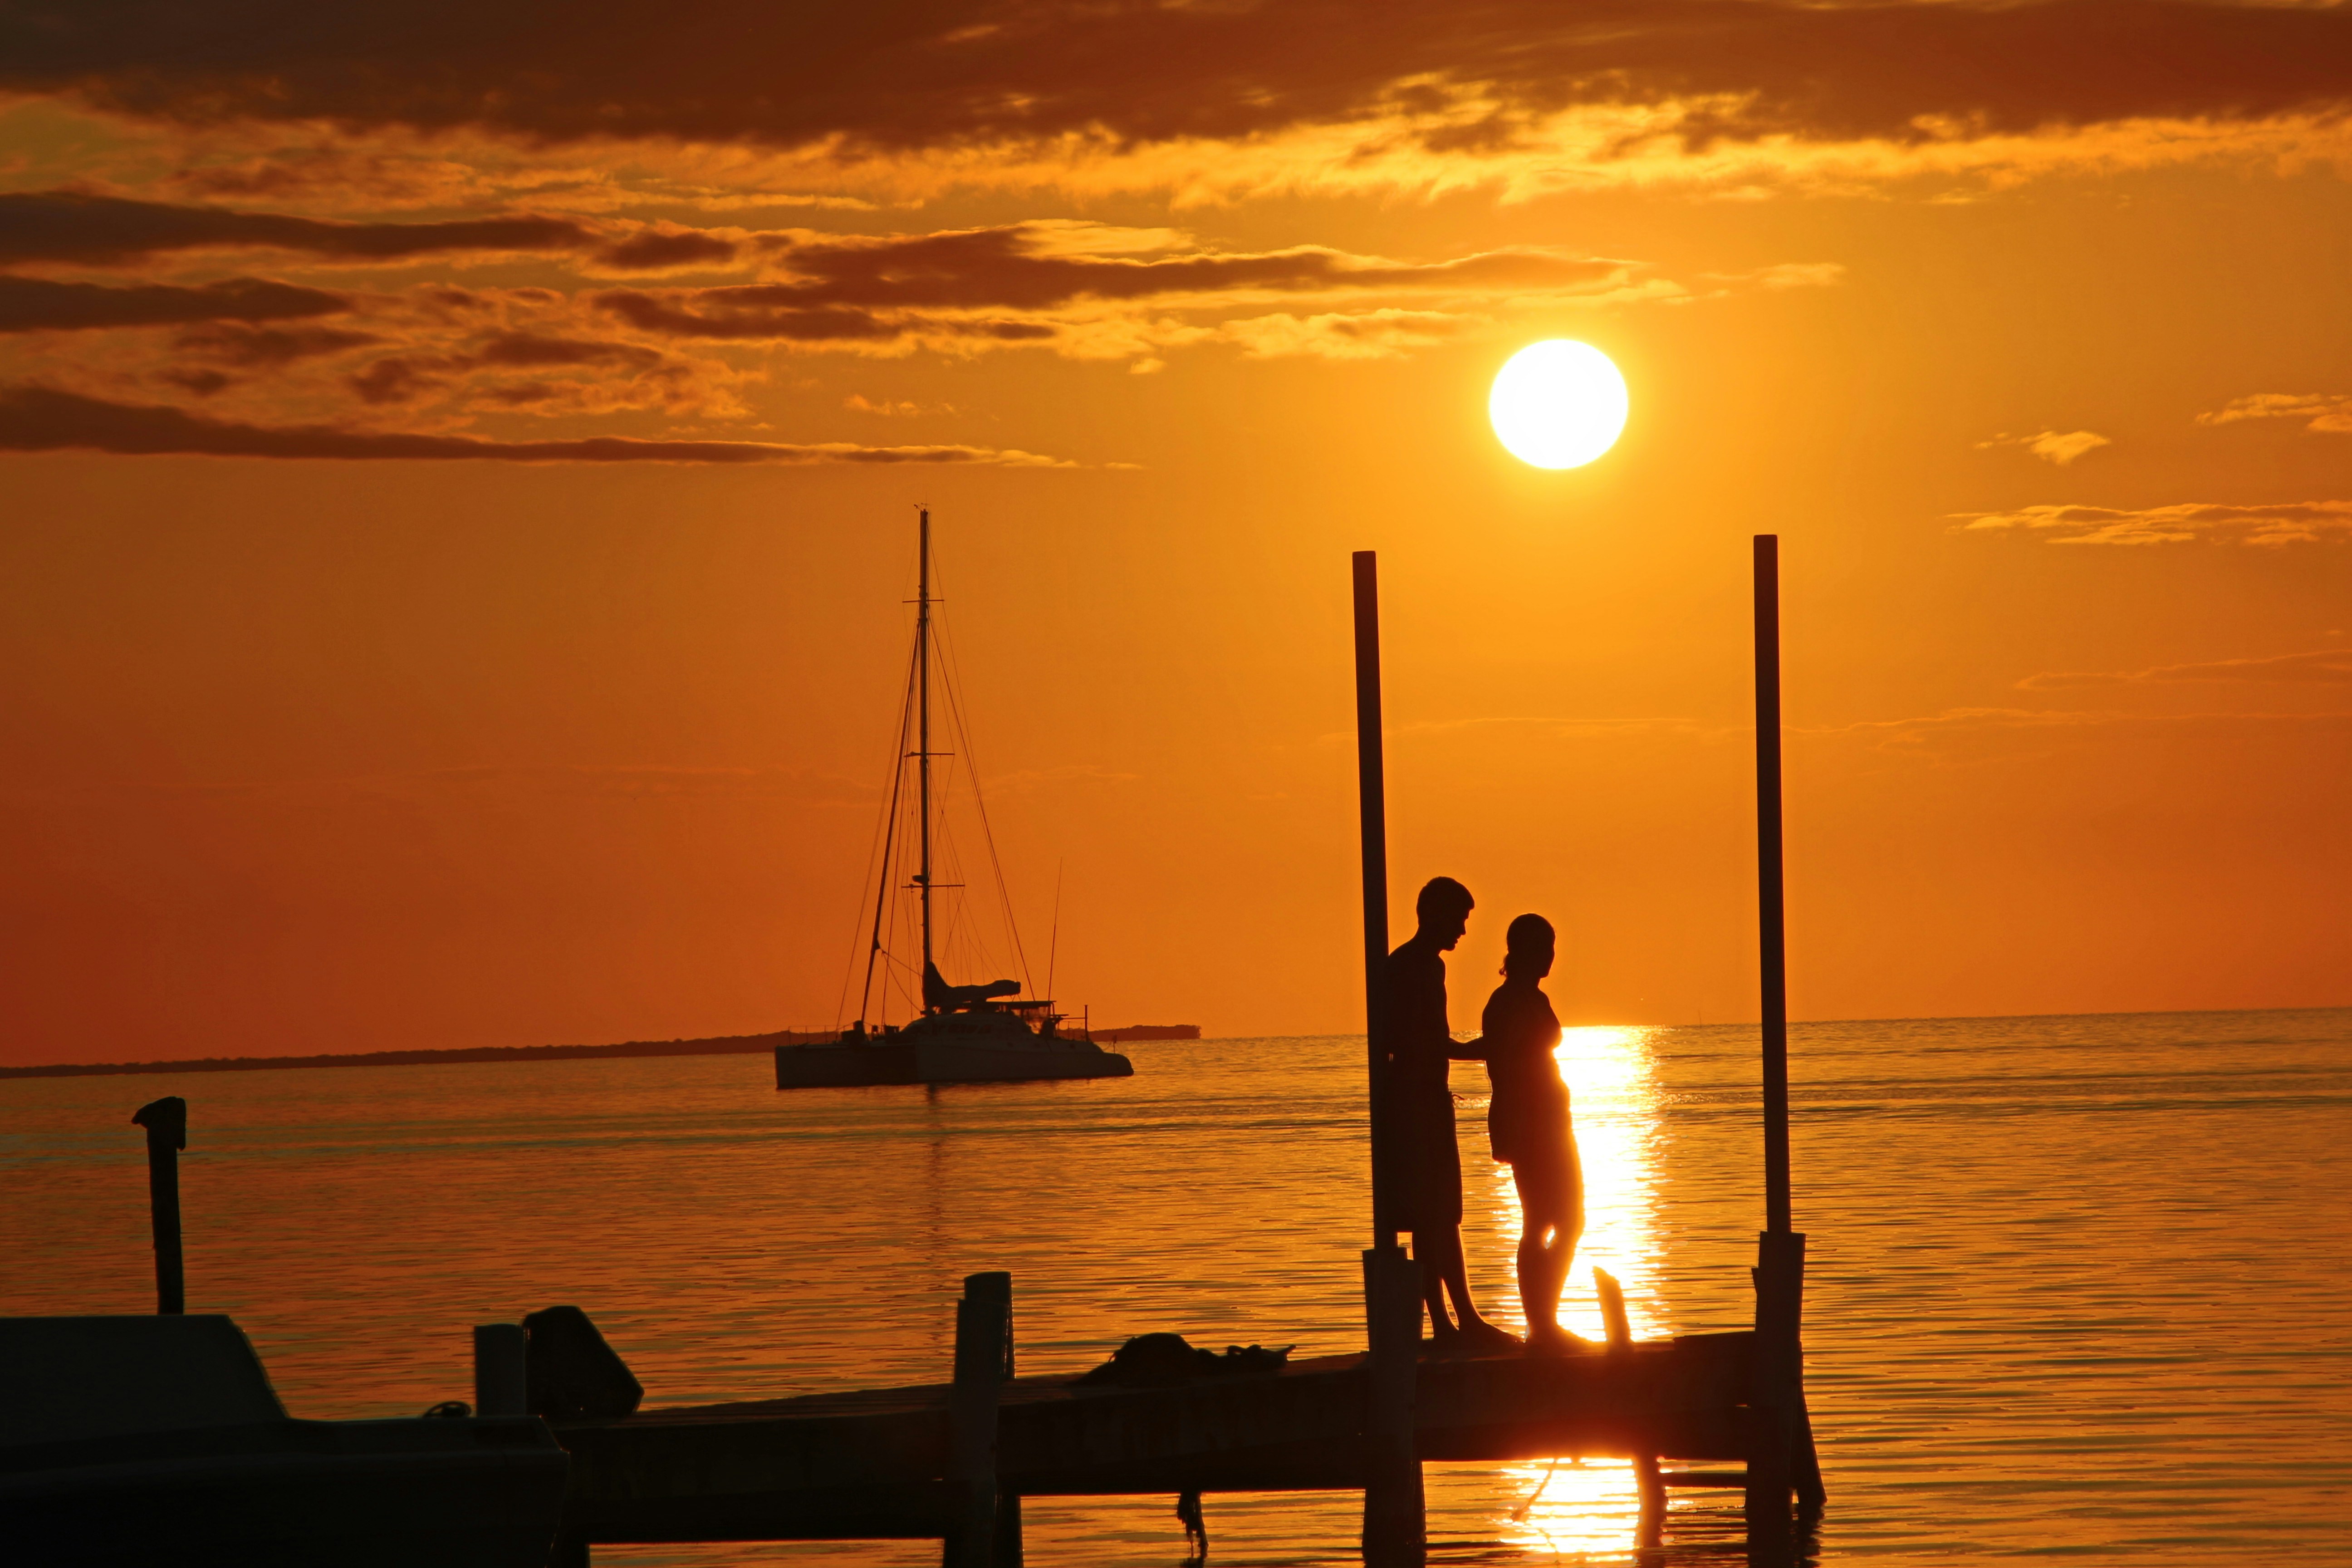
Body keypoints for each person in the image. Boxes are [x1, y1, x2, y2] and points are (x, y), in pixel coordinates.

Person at [1384, 876, 1516, 1354]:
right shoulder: (1414, 967)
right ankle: (1454, 1322)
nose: (1463, 930)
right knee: (1435, 1214)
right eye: (1459, 919)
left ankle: (1452, 1321)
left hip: (1425, 1098)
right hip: (1417, 1105)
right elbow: (1420, 1041)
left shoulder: (1421, 966)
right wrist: (1481, 1051)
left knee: (1436, 1217)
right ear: (1436, 915)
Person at [1480, 912, 1584, 1354]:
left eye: (1553, 948)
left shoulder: (1533, 999)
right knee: (1541, 1221)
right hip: (1531, 1127)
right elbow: (1500, 1059)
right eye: (1544, 949)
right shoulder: (1507, 1002)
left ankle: (1546, 1320)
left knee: (1569, 1220)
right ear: (1524, 953)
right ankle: (1541, 1325)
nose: (1551, 957)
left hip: (1552, 1123)